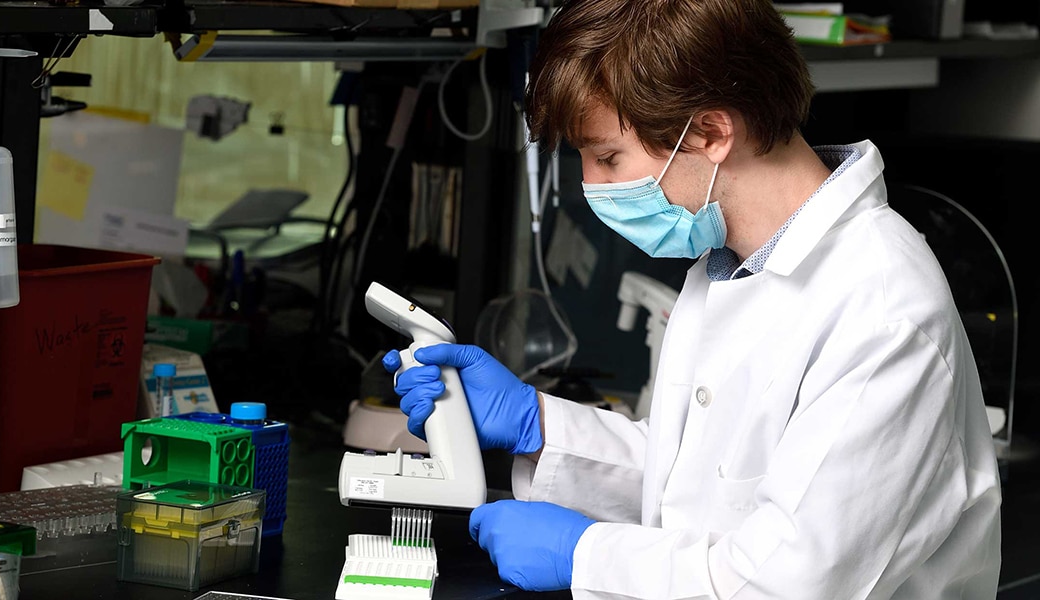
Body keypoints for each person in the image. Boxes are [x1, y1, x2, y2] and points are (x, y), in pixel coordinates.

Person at [383, 0, 1003, 597]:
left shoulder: (883, 310)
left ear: (710, 132)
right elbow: (697, 484)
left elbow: (789, 584)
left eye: (606, 156)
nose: (590, 186)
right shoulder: (728, 264)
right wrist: (535, 426)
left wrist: (586, 555)